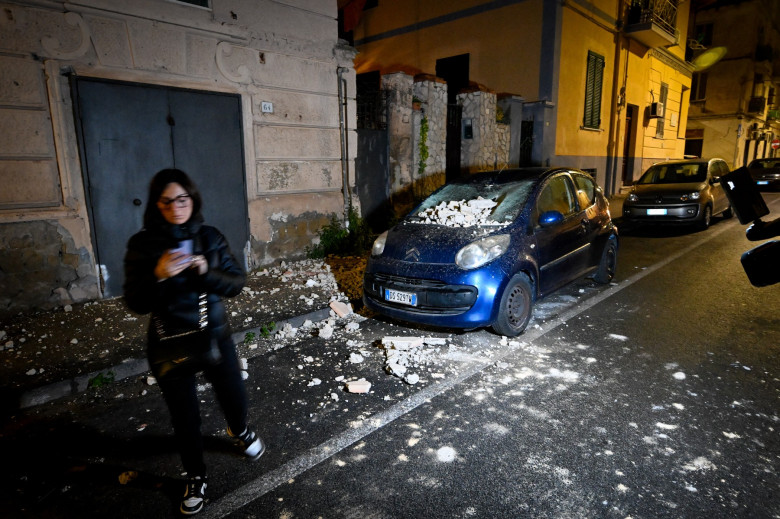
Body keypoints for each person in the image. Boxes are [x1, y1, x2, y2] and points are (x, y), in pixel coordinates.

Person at [124, 168, 263, 515]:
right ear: (157, 204)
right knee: (185, 417)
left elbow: (236, 283)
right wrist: (158, 274)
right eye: (167, 201)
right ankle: (196, 476)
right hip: (167, 340)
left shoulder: (210, 237)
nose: (176, 207)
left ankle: (239, 429)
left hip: (213, 334)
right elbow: (135, 303)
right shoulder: (142, 245)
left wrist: (207, 271)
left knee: (234, 397)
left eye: (182, 199)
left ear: (192, 199)